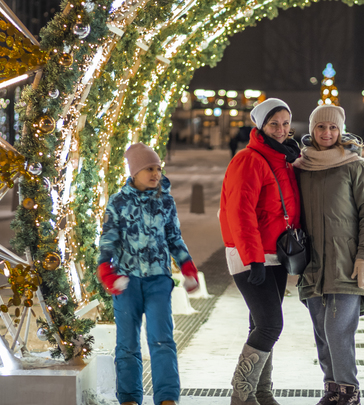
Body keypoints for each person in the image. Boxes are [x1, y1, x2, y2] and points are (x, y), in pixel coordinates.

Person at [97, 143, 200, 405]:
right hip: (126, 281)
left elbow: (174, 237)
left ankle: (167, 397)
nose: (155, 173)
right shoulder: (118, 202)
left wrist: (187, 266)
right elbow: (107, 241)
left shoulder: (165, 201)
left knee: (162, 340)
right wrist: (107, 271)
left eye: (157, 168)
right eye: (149, 169)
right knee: (127, 344)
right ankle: (130, 397)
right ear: (134, 172)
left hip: (158, 280)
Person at [293, 105, 364, 405]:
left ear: (341, 130)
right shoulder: (301, 167)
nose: (327, 133)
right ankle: (332, 389)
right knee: (321, 331)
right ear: (312, 130)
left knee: (337, 330)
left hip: (347, 263)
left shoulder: (355, 166)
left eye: (333, 128)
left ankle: (349, 391)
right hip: (312, 263)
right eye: (321, 127)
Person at [219, 98, 301, 405]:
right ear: (260, 126)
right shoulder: (248, 160)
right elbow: (240, 214)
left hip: (275, 256)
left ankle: (262, 393)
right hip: (251, 256)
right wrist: (252, 258)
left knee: (260, 324)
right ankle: (241, 394)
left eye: (284, 123)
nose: (280, 130)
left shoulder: (283, 159)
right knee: (270, 325)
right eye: (273, 124)